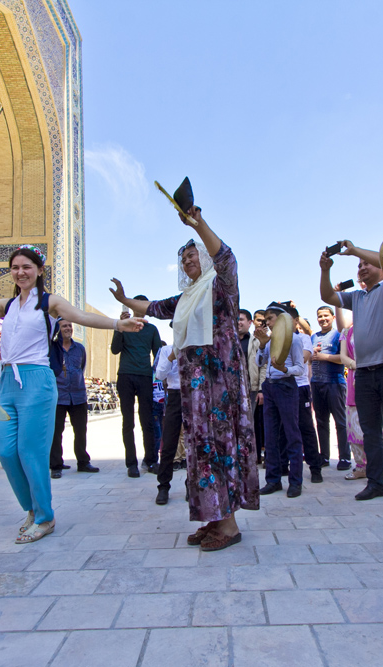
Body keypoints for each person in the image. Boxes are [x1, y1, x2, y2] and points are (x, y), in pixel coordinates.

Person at [111, 197, 259, 551]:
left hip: (219, 385)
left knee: (221, 445)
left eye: (193, 255)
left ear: (204, 257)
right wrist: (126, 300)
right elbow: (153, 307)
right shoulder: (186, 297)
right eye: (183, 258)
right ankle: (215, 516)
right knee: (201, 449)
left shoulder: (221, 286)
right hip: (194, 388)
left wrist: (197, 224)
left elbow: (227, 258)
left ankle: (230, 525)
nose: (188, 260)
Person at [0, 247, 143, 545]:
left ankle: (44, 517)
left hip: (36, 379)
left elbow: (82, 316)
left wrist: (117, 323)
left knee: (30, 452)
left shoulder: (49, 302)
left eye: (27, 267)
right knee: (6, 452)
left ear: (40, 270)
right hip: (7, 381)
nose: (20, 272)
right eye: (15, 267)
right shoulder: (6, 305)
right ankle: (32, 508)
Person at [320, 245, 383, 505]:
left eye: (366, 263)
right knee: (370, 432)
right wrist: (325, 271)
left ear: (381, 268)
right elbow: (327, 296)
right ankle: (376, 483)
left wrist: (355, 251)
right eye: (359, 266)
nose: (362, 267)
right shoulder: (357, 297)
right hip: (364, 373)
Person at [255, 302, 309, 498]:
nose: (267, 322)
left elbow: (300, 368)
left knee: (292, 434)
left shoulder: (294, 340)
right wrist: (262, 345)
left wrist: (285, 369)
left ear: (281, 319)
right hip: (270, 387)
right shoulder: (270, 341)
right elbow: (260, 362)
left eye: (270, 318)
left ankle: (295, 482)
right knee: (270, 436)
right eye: (265, 319)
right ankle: (273, 480)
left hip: (286, 386)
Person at [111, 297, 163, 477]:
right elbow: (115, 350)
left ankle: (150, 460)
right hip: (125, 375)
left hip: (144, 376)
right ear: (132, 308)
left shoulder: (151, 329)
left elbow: (158, 354)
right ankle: (131, 463)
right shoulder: (124, 327)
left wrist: (159, 377)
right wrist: (119, 327)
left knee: (147, 420)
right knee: (128, 421)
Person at [50, 319, 98, 477]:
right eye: (64, 326)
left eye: (70, 326)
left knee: (81, 430)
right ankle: (56, 465)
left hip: (78, 396)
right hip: (59, 396)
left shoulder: (80, 348)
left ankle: (83, 462)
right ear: (58, 329)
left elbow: (81, 368)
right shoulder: (52, 348)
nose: (68, 328)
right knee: (56, 432)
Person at [310, 306, 350, 470]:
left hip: (334, 383)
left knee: (340, 422)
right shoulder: (313, 337)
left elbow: (344, 358)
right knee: (321, 422)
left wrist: (323, 356)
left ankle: (345, 457)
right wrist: (312, 355)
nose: (323, 319)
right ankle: (324, 456)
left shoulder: (339, 335)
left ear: (333, 317)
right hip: (316, 383)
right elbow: (309, 359)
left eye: (326, 315)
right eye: (320, 316)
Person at [289, 306, 323, 483]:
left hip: (300, 387)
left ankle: (315, 467)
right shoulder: (275, 339)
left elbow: (301, 361)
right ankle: (282, 466)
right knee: (282, 429)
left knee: (306, 427)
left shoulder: (304, 338)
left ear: (296, 321)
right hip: (282, 387)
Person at [154, 343, 182, 505]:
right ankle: (163, 486)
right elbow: (159, 374)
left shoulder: (196, 347)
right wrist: (172, 357)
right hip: (174, 394)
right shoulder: (166, 350)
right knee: (169, 442)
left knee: (195, 443)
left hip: (194, 394)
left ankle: (192, 485)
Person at [251, 310, 268, 464]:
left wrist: (261, 388)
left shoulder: (270, 339)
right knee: (254, 423)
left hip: (263, 388)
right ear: (253, 321)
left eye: (264, 321)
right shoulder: (249, 340)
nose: (261, 323)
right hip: (249, 389)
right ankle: (255, 456)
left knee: (266, 423)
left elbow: (263, 366)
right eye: (258, 320)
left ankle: (268, 456)